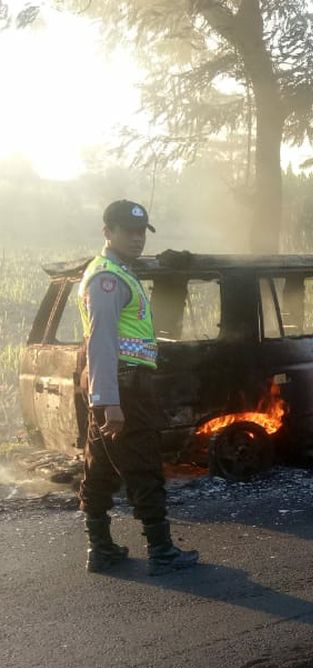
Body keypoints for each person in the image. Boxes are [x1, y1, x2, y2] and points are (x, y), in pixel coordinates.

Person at [78, 199, 199, 574]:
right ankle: (161, 552)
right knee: (144, 467)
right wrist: (109, 402)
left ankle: (101, 550)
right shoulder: (107, 279)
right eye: (127, 232)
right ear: (107, 232)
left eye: (140, 232)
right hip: (124, 386)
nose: (136, 239)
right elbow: (101, 341)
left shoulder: (118, 271)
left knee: (99, 467)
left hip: (117, 384)